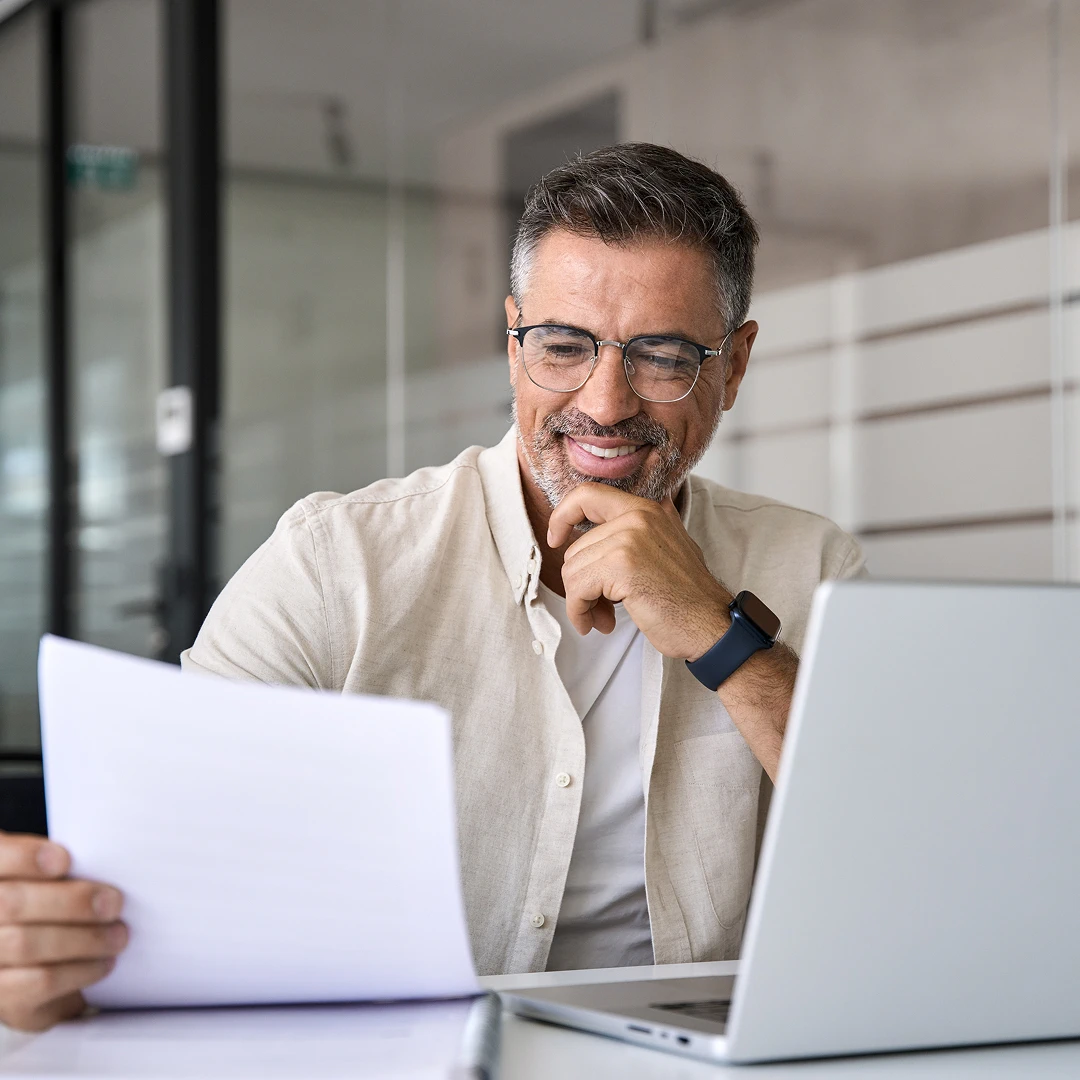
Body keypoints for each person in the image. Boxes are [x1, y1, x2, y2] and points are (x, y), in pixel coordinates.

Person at [0, 143, 864, 1031]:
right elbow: (159, 869)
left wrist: (718, 633)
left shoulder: (813, 567)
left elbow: (910, 852)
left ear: (734, 365)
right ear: (513, 337)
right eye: (563, 346)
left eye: (662, 356)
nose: (605, 404)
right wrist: (50, 958)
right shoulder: (337, 564)